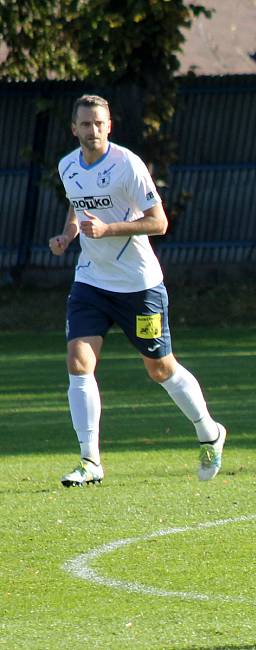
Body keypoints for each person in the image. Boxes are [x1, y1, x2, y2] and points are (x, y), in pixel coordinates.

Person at [48, 94, 226, 487]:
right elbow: (77, 208)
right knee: (78, 363)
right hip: (91, 281)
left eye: (98, 124)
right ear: (73, 128)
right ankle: (90, 461)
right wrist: (67, 235)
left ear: (109, 126)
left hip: (138, 286)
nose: (92, 131)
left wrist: (109, 230)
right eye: (85, 124)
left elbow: (159, 222)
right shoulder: (67, 166)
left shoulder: (127, 165)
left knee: (160, 368)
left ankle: (210, 432)